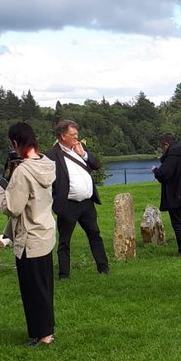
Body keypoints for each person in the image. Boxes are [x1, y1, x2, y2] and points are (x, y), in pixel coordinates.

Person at [0, 122, 58, 347]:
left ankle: (43, 335)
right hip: (45, 231)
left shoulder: (22, 171)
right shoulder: (48, 164)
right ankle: (44, 331)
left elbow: (13, 207)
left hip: (30, 237)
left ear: (15, 143)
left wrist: (0, 191)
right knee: (44, 287)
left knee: (32, 290)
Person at [45, 119, 109, 279]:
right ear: (62, 136)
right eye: (73, 135)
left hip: (87, 204)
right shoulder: (51, 155)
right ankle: (64, 275)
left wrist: (84, 155)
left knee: (95, 235)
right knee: (65, 241)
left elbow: (96, 165)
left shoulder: (80, 148)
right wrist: (56, 203)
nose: (76, 137)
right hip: (68, 205)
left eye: (77, 134)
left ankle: (104, 269)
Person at [153, 132, 181, 255]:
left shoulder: (172, 154)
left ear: (166, 144)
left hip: (177, 193)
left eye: (162, 147)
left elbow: (164, 175)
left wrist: (155, 171)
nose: (162, 150)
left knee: (178, 223)